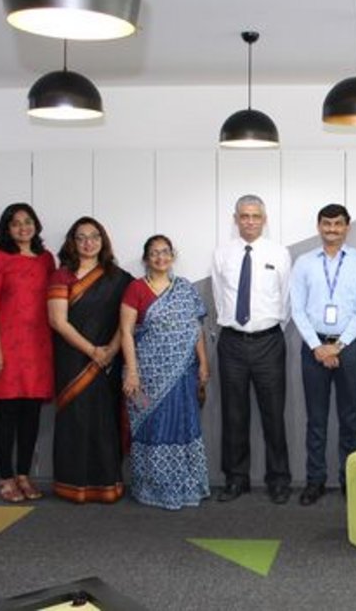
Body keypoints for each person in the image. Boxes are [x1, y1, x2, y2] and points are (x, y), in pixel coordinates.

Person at [291, 204, 356, 505]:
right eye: (326, 224)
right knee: (316, 418)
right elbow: (297, 309)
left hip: (349, 347)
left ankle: (349, 480)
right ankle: (315, 480)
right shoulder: (304, 262)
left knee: (349, 418)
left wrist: (337, 346)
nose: (332, 229)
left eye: (338, 224)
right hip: (313, 347)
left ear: (347, 227)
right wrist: (318, 347)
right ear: (318, 226)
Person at [211, 194, 293, 504]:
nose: (249, 221)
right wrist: (234, 327)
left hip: (269, 342)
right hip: (232, 342)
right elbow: (219, 297)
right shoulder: (222, 254)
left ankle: (279, 479)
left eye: (255, 216)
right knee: (234, 414)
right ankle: (236, 479)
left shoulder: (279, 253)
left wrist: (269, 330)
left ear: (264, 219)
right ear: (235, 219)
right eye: (244, 216)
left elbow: (286, 299)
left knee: (273, 414)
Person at [119, 235, 211, 510]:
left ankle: (186, 485)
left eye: (165, 252)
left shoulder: (184, 288)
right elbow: (126, 332)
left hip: (183, 374)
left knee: (183, 425)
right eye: (154, 253)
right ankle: (153, 487)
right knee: (153, 427)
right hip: (147, 376)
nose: (160, 257)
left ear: (172, 255)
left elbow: (196, 329)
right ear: (146, 258)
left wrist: (203, 363)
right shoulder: (136, 289)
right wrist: (132, 372)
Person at [47, 217, 132, 503]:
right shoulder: (62, 276)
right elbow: (58, 322)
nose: (88, 243)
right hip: (72, 360)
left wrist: (110, 350)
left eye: (94, 236)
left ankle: (107, 484)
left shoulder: (118, 277)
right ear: (72, 242)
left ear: (102, 240)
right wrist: (93, 351)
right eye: (81, 237)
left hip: (109, 361)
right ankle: (72, 485)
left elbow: (127, 320)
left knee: (105, 419)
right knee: (76, 419)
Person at [0, 203, 56, 502]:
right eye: (16, 223)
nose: (23, 227)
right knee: (6, 414)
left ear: (36, 224)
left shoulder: (47, 259)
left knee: (31, 414)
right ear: (7, 229)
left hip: (38, 347)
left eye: (28, 221)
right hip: (6, 346)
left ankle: (24, 475)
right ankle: (6, 477)